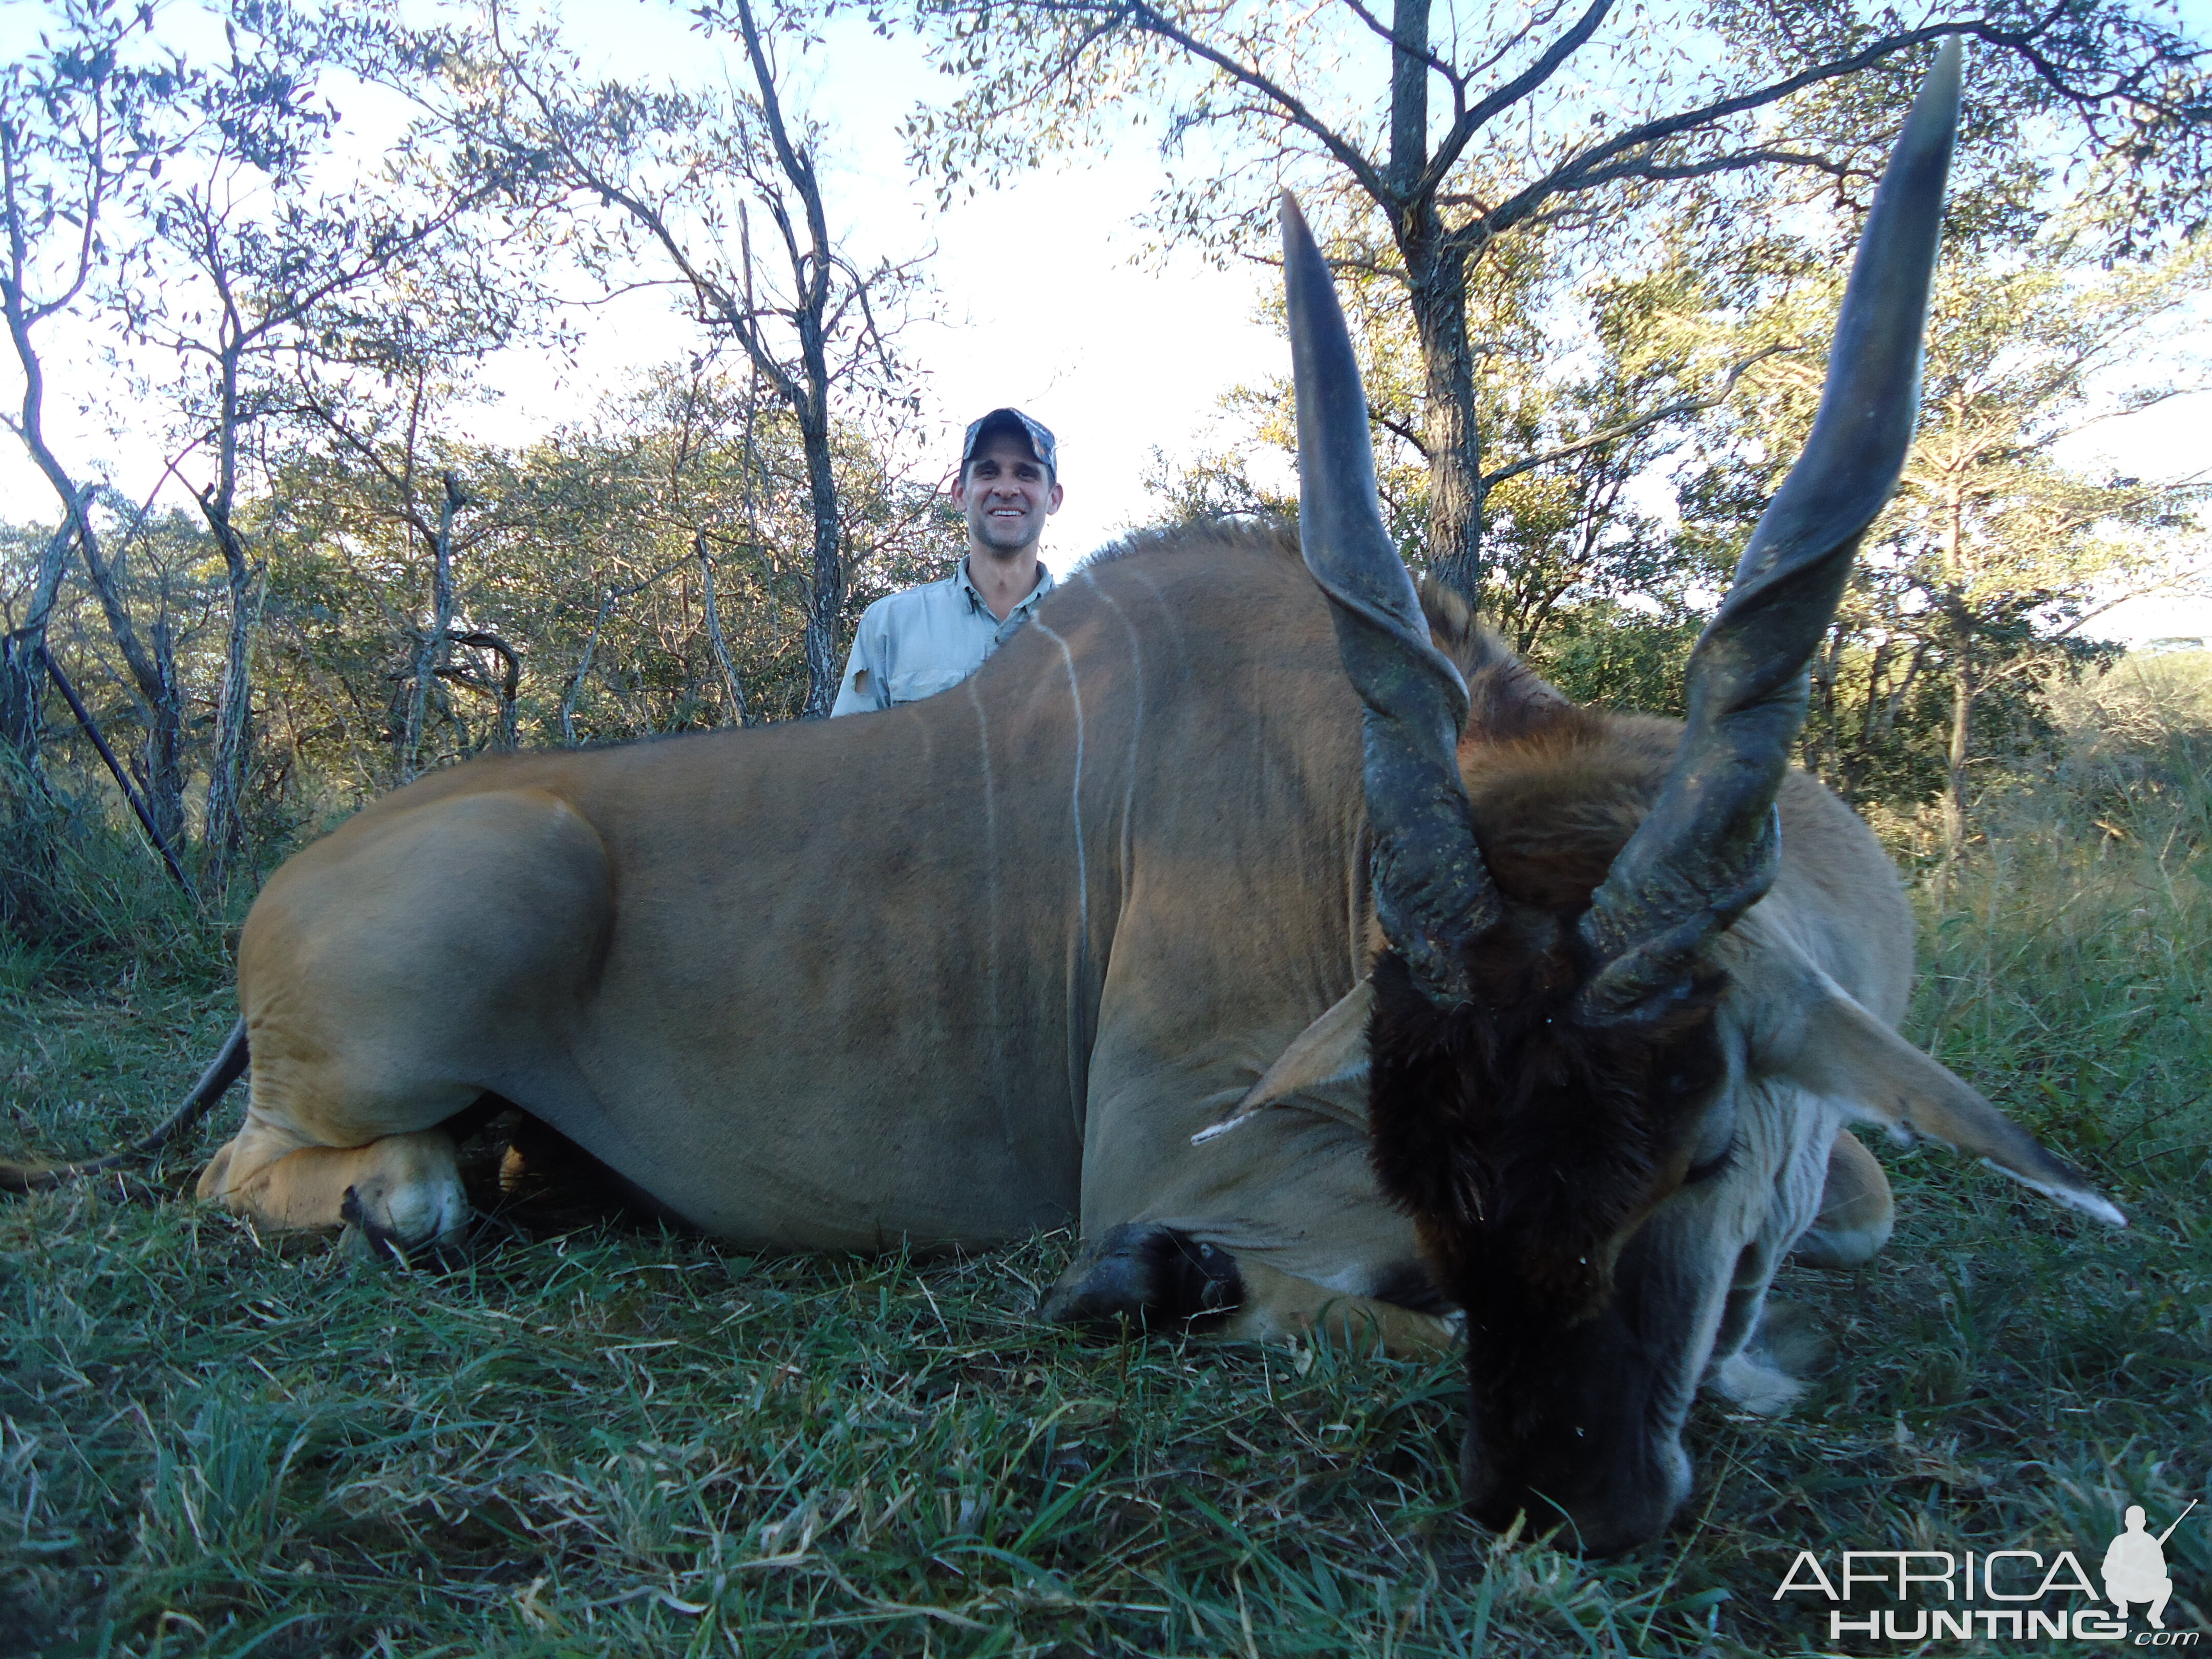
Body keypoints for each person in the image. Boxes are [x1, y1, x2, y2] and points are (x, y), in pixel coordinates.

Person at [830, 408, 1064, 716]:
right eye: (988, 472)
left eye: (1026, 473)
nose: (1006, 489)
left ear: (1054, 499)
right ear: (960, 494)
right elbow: (852, 755)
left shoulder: (1095, 630)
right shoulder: (889, 626)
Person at [2103, 1505, 2175, 1629]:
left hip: (2145, 1589)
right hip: (2122, 1589)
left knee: (2167, 1585)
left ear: (2144, 1522)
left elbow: (2163, 1571)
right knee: (2110, 1585)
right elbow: (2106, 1569)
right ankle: (2122, 1608)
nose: (2135, 1524)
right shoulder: (2119, 1542)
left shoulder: (2151, 1542)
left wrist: (2147, 1572)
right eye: (2132, 1520)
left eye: (2138, 1520)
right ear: (2126, 1522)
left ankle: (2154, 1616)